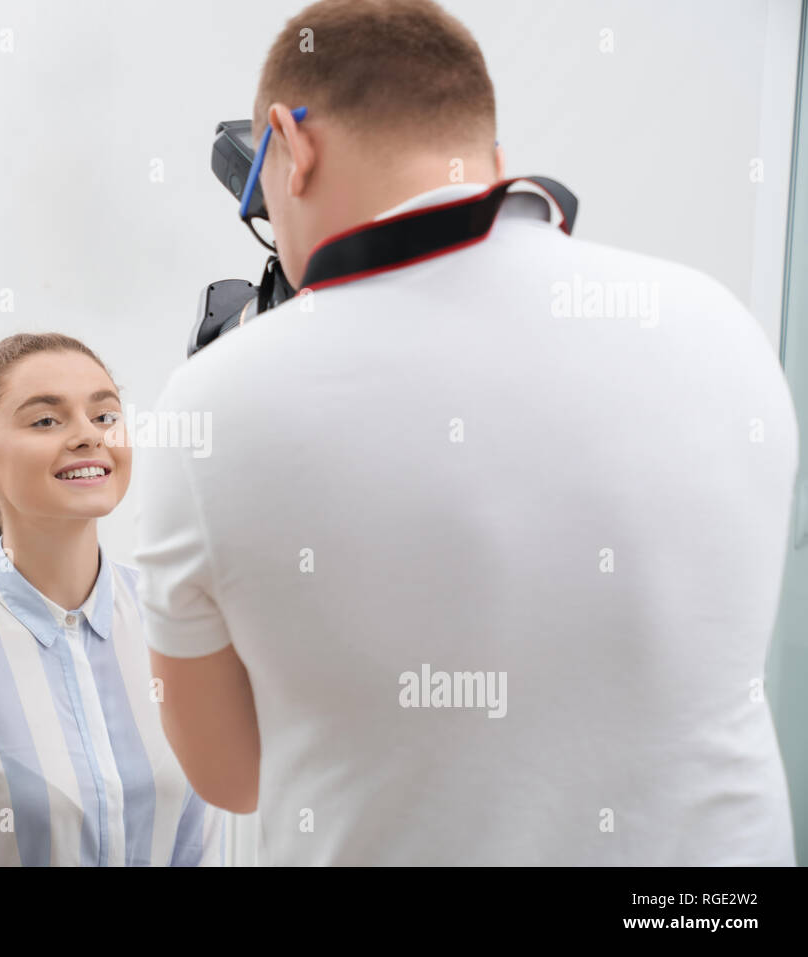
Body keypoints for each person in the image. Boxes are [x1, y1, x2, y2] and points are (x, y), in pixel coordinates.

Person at [131, 0, 798, 865]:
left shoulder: (213, 402)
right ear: (492, 159)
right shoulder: (720, 322)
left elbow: (232, 775)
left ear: (289, 148)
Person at [0, 332, 225, 866]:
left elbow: (209, 841)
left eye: (105, 416)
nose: (88, 436)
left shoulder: (177, 617)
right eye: (46, 420)